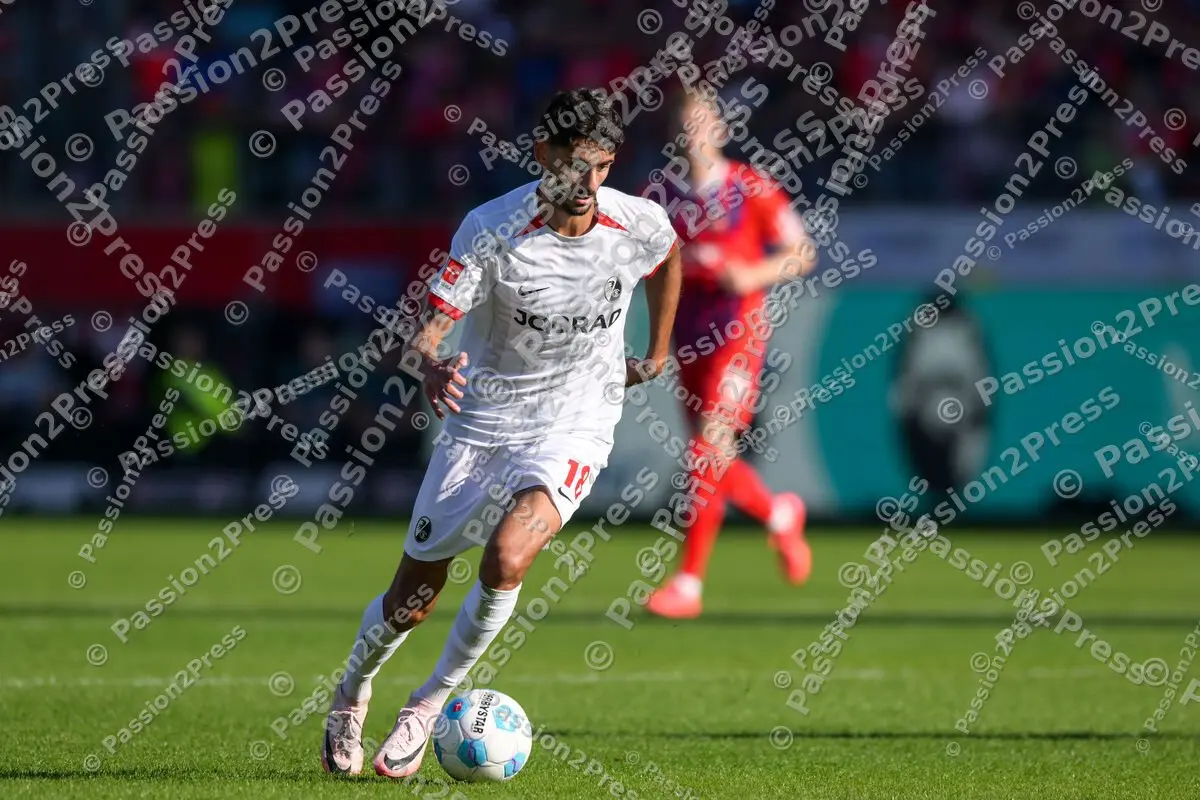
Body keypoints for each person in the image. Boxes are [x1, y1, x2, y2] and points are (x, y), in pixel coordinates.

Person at [320, 88, 682, 778]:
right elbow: (433, 321)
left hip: (576, 422)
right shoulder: (491, 228)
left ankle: (429, 704)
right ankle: (350, 695)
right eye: (575, 164)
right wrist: (430, 361)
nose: (588, 182)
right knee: (411, 601)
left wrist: (658, 352)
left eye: (603, 166)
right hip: (482, 425)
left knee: (508, 559)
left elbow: (667, 257)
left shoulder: (637, 222)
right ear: (543, 154)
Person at [645, 91, 817, 621]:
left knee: (706, 450)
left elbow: (802, 252)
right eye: (685, 122)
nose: (694, 131)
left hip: (738, 334)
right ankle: (779, 515)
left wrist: (752, 274)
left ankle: (688, 583)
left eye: (703, 121)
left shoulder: (751, 186)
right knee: (711, 458)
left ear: (720, 129)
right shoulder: (659, 195)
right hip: (686, 334)